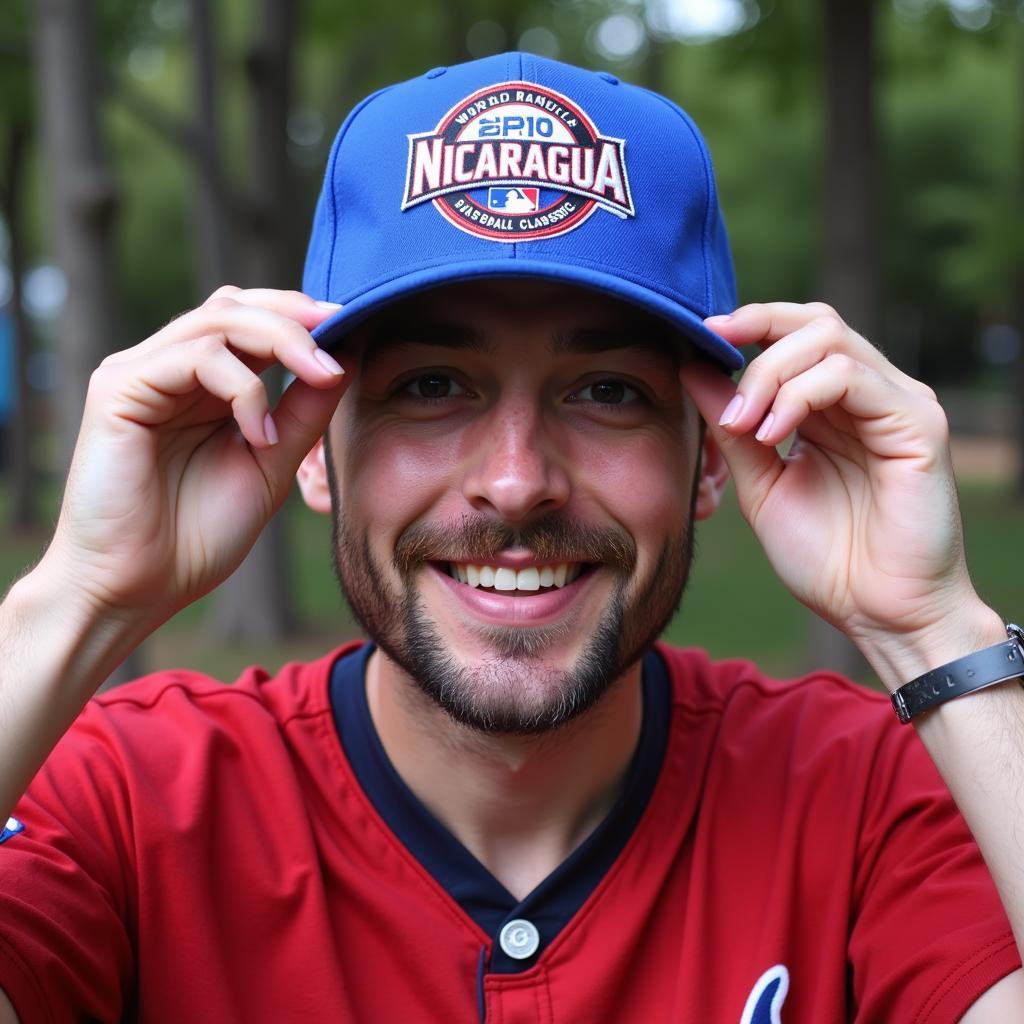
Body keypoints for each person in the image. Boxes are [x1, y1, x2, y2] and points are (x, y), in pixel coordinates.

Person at [0, 51, 1022, 1023]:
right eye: (432, 387)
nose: (516, 480)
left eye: (607, 390)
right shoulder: (130, 801)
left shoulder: (863, 796)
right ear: (313, 452)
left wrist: (932, 628)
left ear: (710, 454)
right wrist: (78, 597)